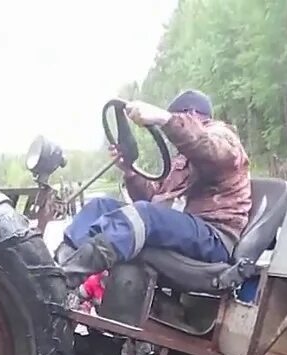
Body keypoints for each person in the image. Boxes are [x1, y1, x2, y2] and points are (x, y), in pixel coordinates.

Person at [56, 89, 252, 288]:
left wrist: (165, 119)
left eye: (179, 117)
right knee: (100, 206)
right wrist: (130, 172)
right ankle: (54, 271)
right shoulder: (181, 160)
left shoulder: (222, 138)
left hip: (212, 236)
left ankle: (66, 281)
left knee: (144, 215)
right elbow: (153, 199)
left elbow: (209, 150)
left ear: (192, 115)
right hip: (183, 228)